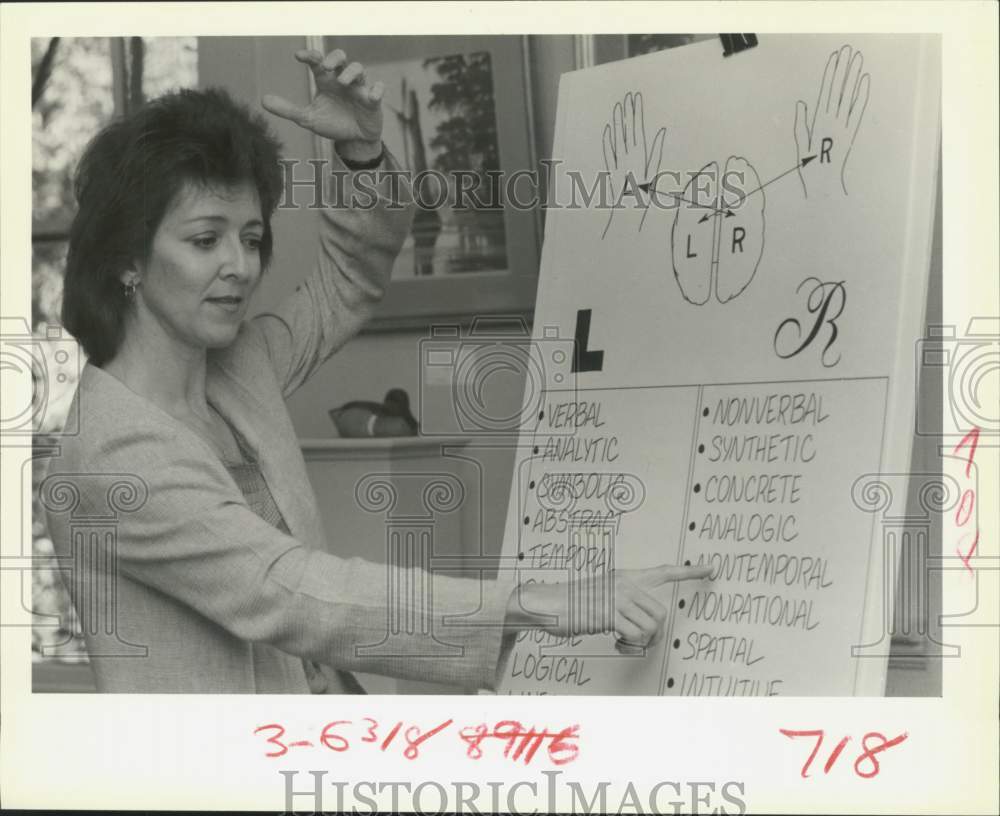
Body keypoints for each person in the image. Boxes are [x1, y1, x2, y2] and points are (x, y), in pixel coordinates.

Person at [42, 47, 710, 693]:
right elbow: (291, 592)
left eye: (250, 238)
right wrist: (540, 604)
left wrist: (363, 155)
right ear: (127, 259)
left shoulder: (240, 364)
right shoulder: (115, 453)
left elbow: (346, 281)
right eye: (204, 239)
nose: (240, 266)